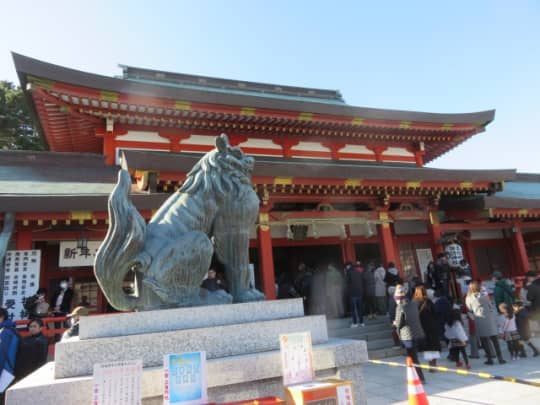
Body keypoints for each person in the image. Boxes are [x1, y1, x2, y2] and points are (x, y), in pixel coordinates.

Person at [466, 281, 506, 365]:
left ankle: (490, 359)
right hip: (489, 319)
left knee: (484, 341)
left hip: (479, 319)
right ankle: (500, 358)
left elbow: (469, 309)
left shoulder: (469, 298)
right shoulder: (485, 296)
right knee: (495, 340)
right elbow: (491, 306)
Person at [393, 284, 426, 383]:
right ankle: (418, 377)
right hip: (417, 333)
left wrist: (395, 323)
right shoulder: (413, 304)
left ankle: (418, 377)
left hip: (407, 335)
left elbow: (399, 323)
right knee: (414, 357)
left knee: (412, 358)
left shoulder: (400, 307)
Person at [413, 286, 441, 370]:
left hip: (422, 327)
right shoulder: (428, 302)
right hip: (432, 326)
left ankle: (430, 365)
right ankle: (434, 364)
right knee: (434, 345)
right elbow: (435, 313)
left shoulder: (414, 303)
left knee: (427, 347)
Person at [0, 307, 20, 400]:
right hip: (9, 371)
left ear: (2, 317)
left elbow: (1, 355)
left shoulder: (5, 332)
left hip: (4, 372)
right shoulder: (11, 330)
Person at [347, 261, 365, 328]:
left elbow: (348, 282)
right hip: (359, 292)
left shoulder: (349, 272)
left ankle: (355, 323)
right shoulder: (359, 272)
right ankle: (362, 322)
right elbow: (362, 281)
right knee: (360, 308)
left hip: (352, 293)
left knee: (353, 309)